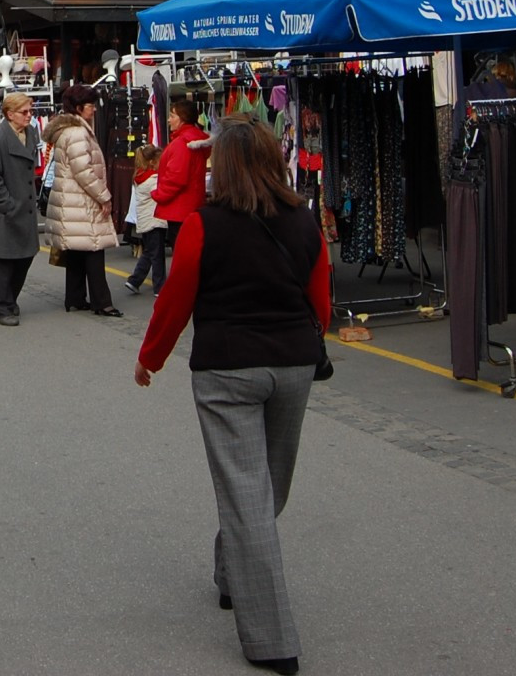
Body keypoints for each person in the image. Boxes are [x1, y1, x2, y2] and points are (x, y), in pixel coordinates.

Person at [134, 116, 331, 676]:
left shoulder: (205, 223)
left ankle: (272, 638)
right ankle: (232, 575)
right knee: (267, 486)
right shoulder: (302, 220)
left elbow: (177, 297)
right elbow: (321, 299)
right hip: (292, 363)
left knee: (248, 491)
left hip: (227, 369)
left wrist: (151, 357)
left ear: (222, 165)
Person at [44, 84, 123, 317]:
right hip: (82, 201)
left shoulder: (68, 131)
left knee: (77, 250)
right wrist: (104, 196)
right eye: (91, 105)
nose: (95, 110)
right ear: (79, 108)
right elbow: (84, 171)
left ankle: (75, 297)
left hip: (71, 200)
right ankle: (102, 302)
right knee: (93, 248)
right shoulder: (78, 133)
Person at [0, 92, 42, 326]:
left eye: (30, 111)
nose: (29, 116)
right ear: (10, 114)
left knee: (24, 258)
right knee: (3, 262)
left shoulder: (31, 132)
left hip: (24, 209)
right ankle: (0, 307)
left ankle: (10, 299)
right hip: (3, 214)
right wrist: (8, 205)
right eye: (24, 112)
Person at [152, 97, 208, 262]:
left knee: (182, 256)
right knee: (192, 253)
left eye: (172, 115)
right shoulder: (194, 139)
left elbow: (176, 178)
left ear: (182, 119)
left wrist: (158, 194)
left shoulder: (182, 143)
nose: (169, 119)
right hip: (192, 203)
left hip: (179, 208)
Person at [124, 142, 169, 295]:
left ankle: (134, 280)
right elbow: (164, 193)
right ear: (152, 162)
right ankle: (160, 286)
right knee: (157, 255)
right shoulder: (152, 180)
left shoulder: (140, 177)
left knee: (149, 252)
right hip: (154, 220)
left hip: (145, 221)